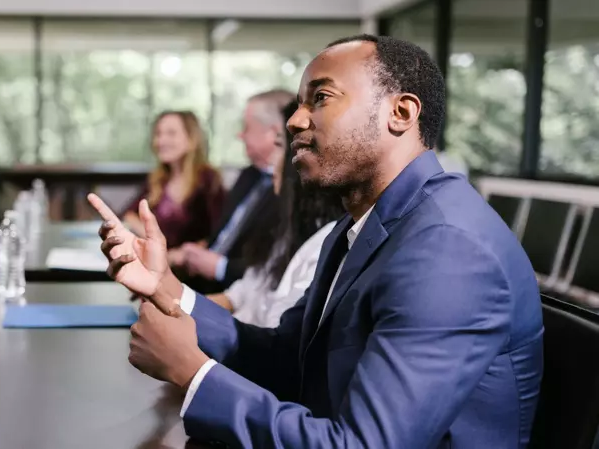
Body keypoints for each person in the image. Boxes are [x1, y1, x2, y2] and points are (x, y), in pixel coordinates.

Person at [89, 35, 543, 448]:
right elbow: (290, 358)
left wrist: (193, 374)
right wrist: (166, 286)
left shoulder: (447, 248)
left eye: (320, 98)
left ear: (400, 113)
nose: (294, 121)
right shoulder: (364, 225)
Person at [207, 100, 343, 327]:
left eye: (279, 146)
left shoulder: (323, 244)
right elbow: (238, 295)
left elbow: (274, 338)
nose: (271, 161)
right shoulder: (285, 231)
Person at [171, 89, 293, 293]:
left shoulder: (293, 191)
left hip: (239, 295)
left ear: (273, 133)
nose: (240, 135)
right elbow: (222, 236)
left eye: (246, 128)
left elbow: (277, 269)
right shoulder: (248, 175)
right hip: (198, 281)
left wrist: (219, 267)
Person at [122, 111, 225, 249]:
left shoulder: (208, 179)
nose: (160, 141)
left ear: (191, 140)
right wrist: (156, 241)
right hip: (158, 262)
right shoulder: (158, 179)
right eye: (158, 134)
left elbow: (220, 234)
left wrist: (182, 255)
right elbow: (129, 215)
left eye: (171, 133)